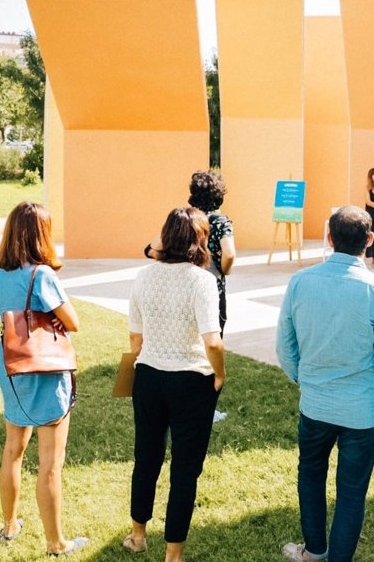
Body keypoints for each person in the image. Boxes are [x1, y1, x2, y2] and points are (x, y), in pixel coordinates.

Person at [276, 206, 374, 562]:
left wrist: (305, 379)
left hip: (316, 404)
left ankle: (314, 552)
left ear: (329, 238)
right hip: (363, 411)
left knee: (311, 475)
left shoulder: (300, 282)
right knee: (351, 492)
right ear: (370, 239)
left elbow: (284, 346)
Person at [124, 207, 225, 561]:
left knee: (146, 458)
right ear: (201, 239)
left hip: (149, 376)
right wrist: (220, 374)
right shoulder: (202, 281)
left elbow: (135, 338)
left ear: (165, 236)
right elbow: (213, 341)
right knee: (185, 469)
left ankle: (138, 535)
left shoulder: (143, 276)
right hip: (192, 380)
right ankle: (173, 555)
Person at [0, 202, 88, 555]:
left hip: (12, 366)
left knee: (13, 450)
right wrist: (56, 315)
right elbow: (73, 320)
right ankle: (55, 542)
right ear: (41, 235)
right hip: (45, 369)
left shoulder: (2, 274)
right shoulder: (43, 275)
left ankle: (9, 525)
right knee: (50, 463)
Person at [187, 170, 236, 334]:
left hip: (187, 285)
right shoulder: (220, 222)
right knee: (213, 336)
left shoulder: (185, 219)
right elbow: (229, 254)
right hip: (213, 287)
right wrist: (224, 271)